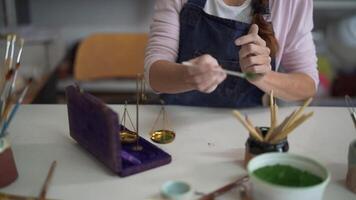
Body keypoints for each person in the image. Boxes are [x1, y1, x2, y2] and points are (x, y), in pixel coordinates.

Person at [144, 0, 319, 107]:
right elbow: (154, 75)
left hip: (247, 128)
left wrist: (263, 77)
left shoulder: (290, 3)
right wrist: (188, 75)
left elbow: (307, 85)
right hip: (178, 122)